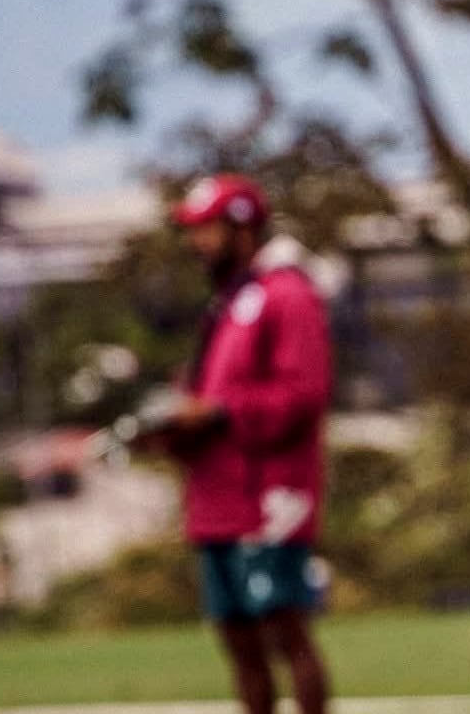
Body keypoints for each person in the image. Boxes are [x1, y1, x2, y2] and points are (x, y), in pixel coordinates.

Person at [143, 174, 334, 714]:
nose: (195, 242)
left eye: (206, 229)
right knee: (238, 642)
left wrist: (219, 411)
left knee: (285, 632)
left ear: (242, 227)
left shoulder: (287, 293)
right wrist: (173, 427)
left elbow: (303, 394)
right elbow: (212, 392)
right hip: (217, 498)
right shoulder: (229, 302)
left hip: (268, 498)